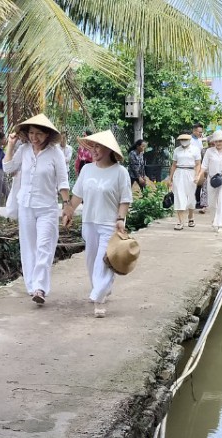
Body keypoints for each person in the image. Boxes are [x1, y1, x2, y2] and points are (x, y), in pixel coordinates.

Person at [62, 130, 131, 318]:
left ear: (109, 149)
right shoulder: (87, 170)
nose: (94, 150)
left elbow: (125, 199)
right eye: (92, 146)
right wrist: (68, 213)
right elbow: (77, 196)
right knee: (91, 262)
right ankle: (100, 289)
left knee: (103, 261)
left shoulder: (120, 172)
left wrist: (120, 219)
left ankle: (98, 300)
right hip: (89, 222)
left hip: (110, 223)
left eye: (98, 146)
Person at [3, 113, 70, 305]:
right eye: (31, 133)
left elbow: (62, 181)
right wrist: (11, 145)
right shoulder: (24, 150)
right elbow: (8, 168)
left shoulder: (55, 153)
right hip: (26, 206)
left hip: (47, 208)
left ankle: (40, 287)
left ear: (47, 134)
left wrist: (66, 205)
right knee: (28, 247)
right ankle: (32, 286)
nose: (34, 137)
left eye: (39, 133)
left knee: (44, 246)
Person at [168, 133, 201, 231]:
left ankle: (191, 216)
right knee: (179, 196)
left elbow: (198, 164)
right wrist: (170, 178)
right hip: (179, 172)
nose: (184, 141)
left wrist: (197, 175)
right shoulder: (177, 150)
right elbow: (174, 165)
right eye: (182, 140)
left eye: (185, 140)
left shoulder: (195, 149)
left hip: (191, 172)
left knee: (190, 196)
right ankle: (180, 221)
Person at [189, 123, 207, 213]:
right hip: (190, 164)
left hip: (199, 163)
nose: (200, 133)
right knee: (192, 183)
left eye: (201, 132)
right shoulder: (189, 139)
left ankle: (198, 201)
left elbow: (202, 151)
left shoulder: (200, 140)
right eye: (199, 132)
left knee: (199, 182)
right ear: (194, 131)